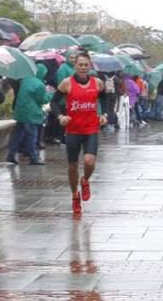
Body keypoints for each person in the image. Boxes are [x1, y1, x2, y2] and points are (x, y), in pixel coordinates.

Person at [56, 52, 107, 215]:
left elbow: (105, 98)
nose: (83, 68)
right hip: (72, 130)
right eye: (80, 65)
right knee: (72, 166)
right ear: (75, 66)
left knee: (89, 161)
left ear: (90, 66)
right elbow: (54, 102)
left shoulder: (97, 83)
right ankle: (74, 196)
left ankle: (85, 180)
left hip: (91, 128)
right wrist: (61, 116)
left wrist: (104, 114)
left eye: (86, 65)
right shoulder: (67, 83)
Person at [6, 73, 49, 165]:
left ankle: (11, 154)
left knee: (18, 134)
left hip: (20, 111)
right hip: (31, 113)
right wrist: (49, 96)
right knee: (32, 135)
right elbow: (42, 100)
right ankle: (33, 158)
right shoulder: (40, 85)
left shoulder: (25, 80)